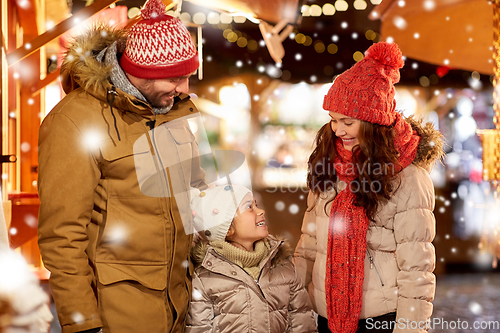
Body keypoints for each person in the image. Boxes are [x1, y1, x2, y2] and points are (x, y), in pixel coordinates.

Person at [37, 0, 206, 332]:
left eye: (187, 76)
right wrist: (83, 324)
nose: (183, 89)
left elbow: (199, 195)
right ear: (140, 73)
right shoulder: (74, 121)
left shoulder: (176, 110)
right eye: (173, 78)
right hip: (118, 314)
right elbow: (62, 237)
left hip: (182, 310)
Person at [294, 42, 444, 333]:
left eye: (347, 122)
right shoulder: (328, 166)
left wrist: (410, 328)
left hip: (382, 318)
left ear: (373, 122)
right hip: (327, 314)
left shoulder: (407, 178)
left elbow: (417, 268)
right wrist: (293, 304)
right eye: (334, 120)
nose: (338, 130)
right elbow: (309, 245)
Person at [185, 184, 317, 333]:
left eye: (257, 204)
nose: (261, 211)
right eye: (249, 207)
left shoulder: (284, 268)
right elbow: (198, 328)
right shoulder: (204, 279)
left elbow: (302, 322)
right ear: (227, 228)